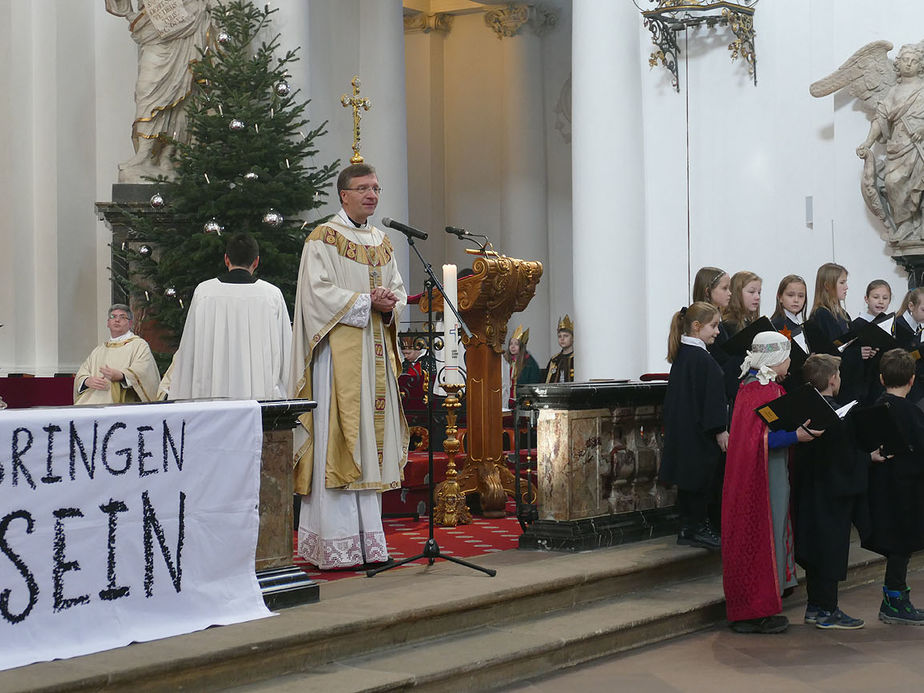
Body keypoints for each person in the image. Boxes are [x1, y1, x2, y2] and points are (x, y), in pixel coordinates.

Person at [289, 162, 409, 570]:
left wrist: (391, 301)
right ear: (344, 195)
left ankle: (368, 543)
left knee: (370, 448)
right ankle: (336, 543)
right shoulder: (323, 238)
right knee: (340, 438)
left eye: (376, 187)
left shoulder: (382, 240)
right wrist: (364, 302)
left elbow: (397, 287)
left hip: (374, 354)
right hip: (338, 360)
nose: (372, 194)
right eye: (363, 188)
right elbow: (315, 294)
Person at [722, 331, 821, 634]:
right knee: (765, 533)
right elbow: (758, 438)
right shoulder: (762, 390)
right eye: (788, 356)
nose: (791, 363)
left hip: (763, 472)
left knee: (770, 532)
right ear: (776, 358)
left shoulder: (752, 386)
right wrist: (797, 436)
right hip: (764, 478)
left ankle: (759, 605)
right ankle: (756, 610)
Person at [791, 354, 868, 630]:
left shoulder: (801, 411)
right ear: (833, 379)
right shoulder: (840, 416)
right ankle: (828, 610)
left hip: (807, 491)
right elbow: (847, 458)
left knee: (814, 550)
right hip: (833, 494)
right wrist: (869, 458)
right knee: (831, 550)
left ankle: (814, 606)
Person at [167, 233, 292, 400]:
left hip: (211, 400)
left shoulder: (204, 293)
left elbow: (189, 350)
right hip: (259, 401)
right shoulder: (271, 295)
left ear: (226, 259)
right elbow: (286, 352)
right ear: (256, 261)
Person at [105, 0, 214, 181]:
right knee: (146, 89)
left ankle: (169, 155)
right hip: (155, 21)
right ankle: (144, 154)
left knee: (184, 90)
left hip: (187, 16)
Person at [862, 348, 924, 624]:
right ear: (912, 380)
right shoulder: (913, 413)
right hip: (907, 490)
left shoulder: (875, 406)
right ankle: (895, 601)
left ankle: (895, 597)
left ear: (881, 378)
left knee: (897, 545)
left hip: (882, 486)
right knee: (902, 546)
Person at [659, 302, 727, 551]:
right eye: (714, 326)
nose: (717, 332)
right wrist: (720, 429)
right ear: (697, 327)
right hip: (699, 433)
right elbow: (710, 398)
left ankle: (691, 527)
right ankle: (697, 527)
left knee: (691, 481)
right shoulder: (698, 358)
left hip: (686, 430)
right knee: (701, 480)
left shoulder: (686, 355)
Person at [856, 44, 924, 242]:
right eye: (905, 60)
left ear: (920, 65)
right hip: (899, 146)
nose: (909, 64)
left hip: (919, 146)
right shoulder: (894, 92)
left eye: (914, 61)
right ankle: (905, 224)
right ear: (898, 64)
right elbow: (881, 118)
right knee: (892, 182)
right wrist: (867, 142)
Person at [74, 304, 161, 405]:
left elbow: (144, 370)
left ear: (130, 323)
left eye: (122, 317)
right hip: (92, 399)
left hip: (122, 400)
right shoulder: (99, 350)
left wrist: (121, 376)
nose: (117, 320)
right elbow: (83, 371)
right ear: (108, 323)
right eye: (113, 317)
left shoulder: (139, 345)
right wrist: (87, 381)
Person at [719, 270, 762, 400]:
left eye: (759, 292)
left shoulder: (750, 322)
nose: (757, 297)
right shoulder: (729, 325)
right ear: (737, 293)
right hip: (737, 390)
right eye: (751, 292)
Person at [851, 280, 893, 405]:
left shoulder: (889, 323)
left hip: (883, 379)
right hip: (863, 381)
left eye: (885, 298)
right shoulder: (856, 324)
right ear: (866, 299)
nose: (881, 301)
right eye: (876, 297)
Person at [891, 287, 924, 404]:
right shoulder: (898, 326)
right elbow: (897, 360)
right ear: (911, 306)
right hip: (902, 387)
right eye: (923, 310)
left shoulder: (919, 326)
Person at [505, 325, 541, 408]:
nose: (512, 346)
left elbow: (533, 384)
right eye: (511, 344)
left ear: (522, 346)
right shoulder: (507, 361)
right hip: (507, 401)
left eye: (516, 344)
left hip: (522, 402)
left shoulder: (529, 363)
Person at [545, 314, 575, 383]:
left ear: (573, 338)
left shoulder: (577, 359)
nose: (562, 339)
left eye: (566, 336)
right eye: (559, 336)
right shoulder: (554, 360)